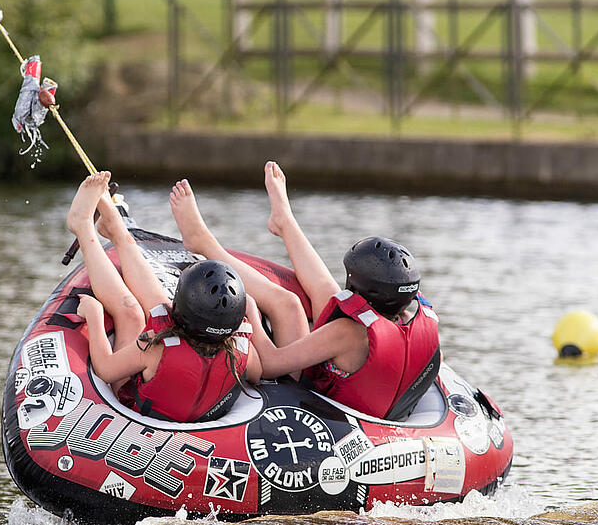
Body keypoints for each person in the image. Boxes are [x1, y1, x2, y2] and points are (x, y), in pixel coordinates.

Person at [168, 161, 441, 421]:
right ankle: (285, 222)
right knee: (324, 290)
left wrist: (252, 317)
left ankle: (205, 243)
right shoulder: (409, 317)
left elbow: (272, 364)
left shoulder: (347, 332)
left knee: (286, 303)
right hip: (372, 400)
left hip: (321, 403)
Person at [66, 171, 261, 422]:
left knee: (130, 311)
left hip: (137, 409)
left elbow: (105, 369)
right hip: (191, 404)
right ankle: (118, 230)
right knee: (155, 307)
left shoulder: (154, 348)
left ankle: (83, 227)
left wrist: (94, 315)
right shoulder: (242, 351)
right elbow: (257, 373)